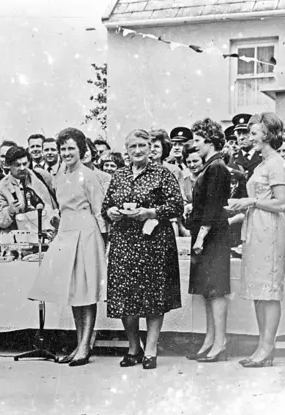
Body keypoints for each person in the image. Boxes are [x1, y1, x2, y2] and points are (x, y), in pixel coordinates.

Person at [102, 129, 183, 370]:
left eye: (142, 146)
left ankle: (151, 348)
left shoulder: (162, 174)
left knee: (153, 295)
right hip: (124, 242)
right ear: (126, 150)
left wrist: (150, 212)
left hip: (153, 242)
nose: (137, 151)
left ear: (150, 148)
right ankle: (133, 347)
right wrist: (111, 212)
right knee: (126, 295)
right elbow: (106, 204)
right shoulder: (118, 175)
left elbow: (177, 205)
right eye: (132, 146)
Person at [28, 128, 107, 367]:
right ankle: (78, 344)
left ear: (81, 150)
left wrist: (104, 241)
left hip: (87, 233)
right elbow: (60, 208)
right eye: (63, 149)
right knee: (73, 290)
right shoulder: (60, 177)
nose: (66, 152)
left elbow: (99, 210)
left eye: (71, 148)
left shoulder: (89, 176)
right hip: (66, 234)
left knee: (87, 290)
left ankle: (85, 345)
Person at [228, 112, 285, 368]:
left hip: (271, 231)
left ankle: (267, 347)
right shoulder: (262, 164)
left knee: (269, 291)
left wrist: (251, 201)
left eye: (254, 132)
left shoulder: (276, 163)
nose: (249, 137)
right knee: (259, 291)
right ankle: (262, 345)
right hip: (256, 229)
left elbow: (282, 203)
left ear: (267, 134)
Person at [184, 119, 231, 363]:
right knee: (208, 292)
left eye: (199, 140)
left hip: (213, 237)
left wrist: (201, 235)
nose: (196, 145)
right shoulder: (210, 166)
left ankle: (220, 342)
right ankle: (210, 339)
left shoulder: (217, 167)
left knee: (216, 290)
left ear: (211, 141)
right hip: (207, 235)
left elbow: (214, 206)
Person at [0, 146, 56, 231]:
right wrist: (9, 211)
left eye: (25, 164)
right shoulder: (0, 187)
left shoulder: (42, 176)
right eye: (17, 165)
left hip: (46, 235)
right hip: (19, 239)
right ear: (8, 165)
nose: (22, 168)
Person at [231, 113, 262, 178]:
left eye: (245, 132)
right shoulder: (232, 159)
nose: (241, 137)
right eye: (239, 134)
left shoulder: (263, 157)